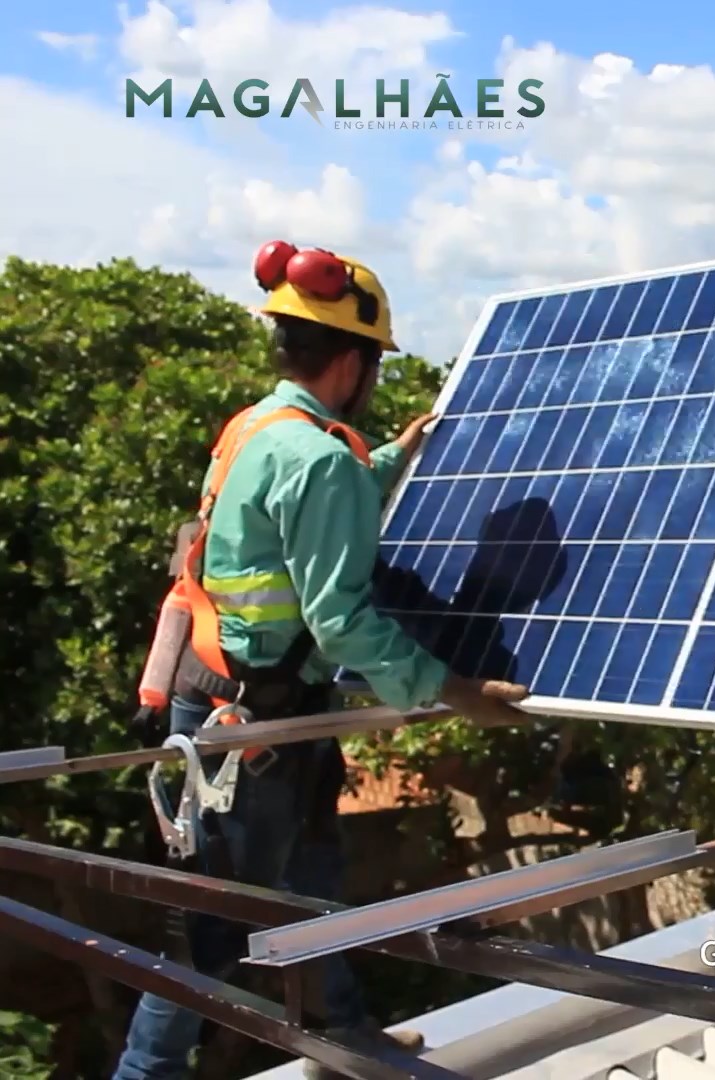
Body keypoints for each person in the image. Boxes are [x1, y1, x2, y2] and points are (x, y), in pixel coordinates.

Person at [114, 242, 534, 1080]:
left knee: (311, 878)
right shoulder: (320, 461)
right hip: (257, 723)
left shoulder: (257, 430)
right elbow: (339, 622)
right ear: (352, 361)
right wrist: (454, 691)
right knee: (215, 927)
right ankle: (143, 1074)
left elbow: (293, 516)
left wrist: (390, 460)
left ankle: (343, 1035)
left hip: (225, 694)